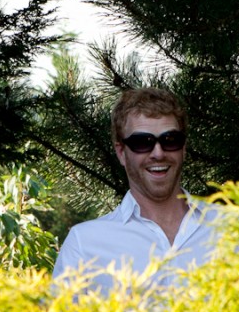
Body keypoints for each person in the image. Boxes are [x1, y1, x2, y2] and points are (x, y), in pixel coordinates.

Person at [52, 87, 220, 296]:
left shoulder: (233, 229)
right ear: (121, 152)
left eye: (170, 140)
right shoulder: (85, 244)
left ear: (183, 148)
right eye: (142, 143)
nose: (158, 153)